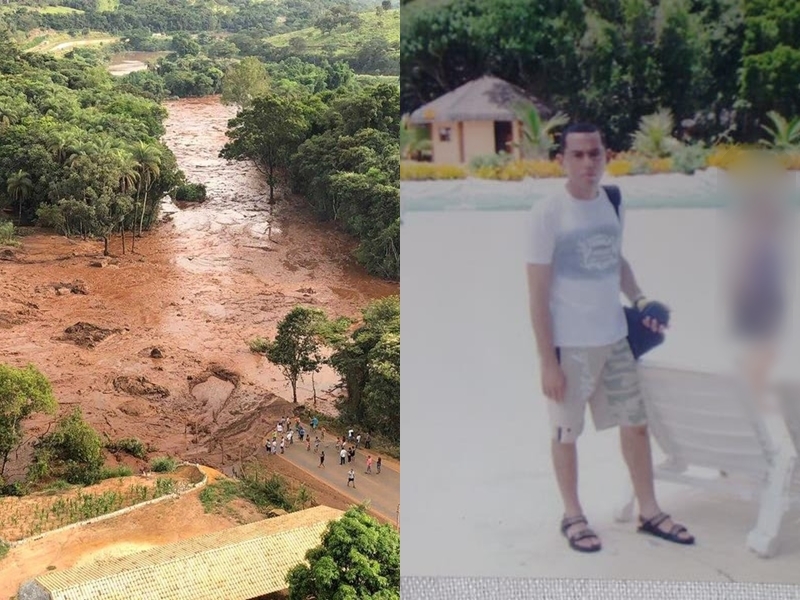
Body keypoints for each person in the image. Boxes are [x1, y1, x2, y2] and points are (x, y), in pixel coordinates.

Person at [525, 123, 695, 553]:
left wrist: (639, 299)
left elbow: (615, 259)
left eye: (594, 154)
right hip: (571, 347)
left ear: (605, 155)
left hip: (616, 339)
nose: (587, 162)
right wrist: (547, 361)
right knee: (566, 432)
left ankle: (650, 510)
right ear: (561, 160)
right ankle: (573, 514)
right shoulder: (547, 214)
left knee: (636, 427)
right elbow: (538, 295)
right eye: (578, 155)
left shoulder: (613, 202)